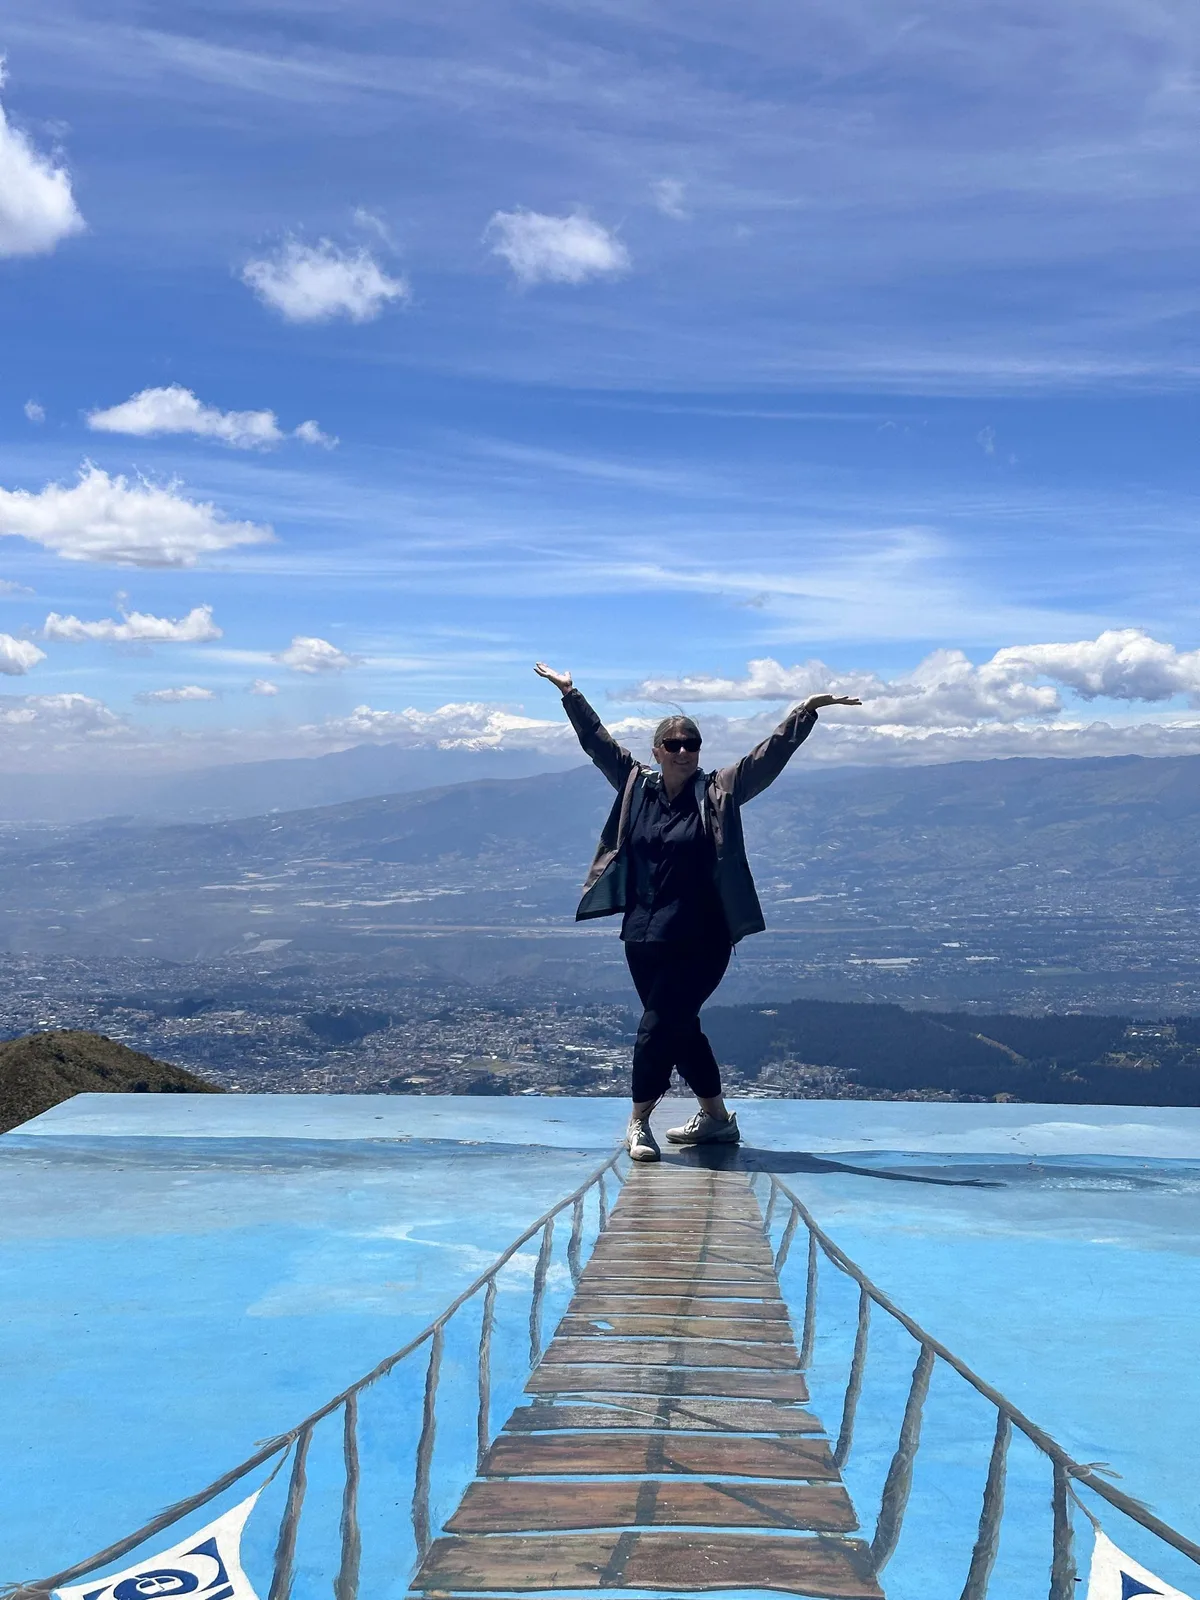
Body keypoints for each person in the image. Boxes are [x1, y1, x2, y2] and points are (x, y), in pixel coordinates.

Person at [534, 662, 861, 1161]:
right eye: (674, 744)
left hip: (703, 939)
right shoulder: (635, 788)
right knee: (680, 1027)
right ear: (657, 751)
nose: (684, 751)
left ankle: (638, 1121)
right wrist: (570, 694)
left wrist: (806, 712)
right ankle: (716, 1120)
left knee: (657, 1025)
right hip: (643, 935)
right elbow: (598, 744)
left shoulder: (718, 792)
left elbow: (765, 759)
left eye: (693, 744)